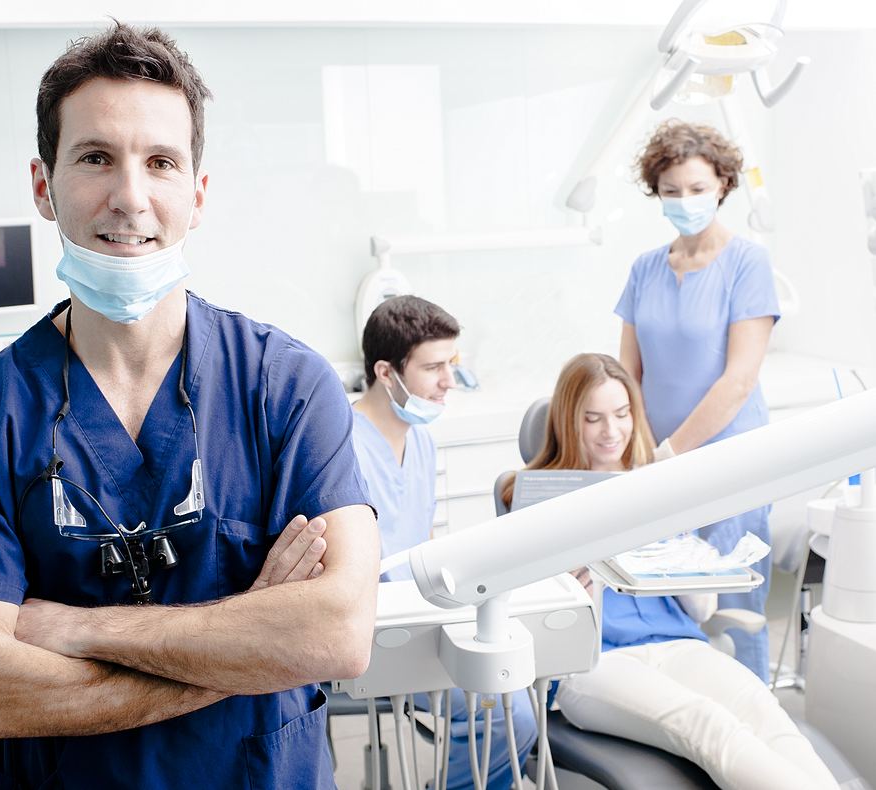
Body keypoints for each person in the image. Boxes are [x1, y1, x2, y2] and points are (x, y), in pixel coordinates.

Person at [0, 23, 380, 790]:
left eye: (160, 162)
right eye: (95, 157)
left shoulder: (286, 385)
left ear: (196, 194)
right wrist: (248, 644)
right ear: (42, 184)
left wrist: (75, 628)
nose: (129, 197)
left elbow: (337, 634)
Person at [501, 353, 836, 790]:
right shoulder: (533, 500)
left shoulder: (656, 488)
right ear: (569, 421)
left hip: (679, 645)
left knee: (764, 710)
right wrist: (574, 577)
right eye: (593, 418)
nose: (612, 431)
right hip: (596, 663)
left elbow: (698, 611)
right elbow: (526, 615)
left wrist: (690, 547)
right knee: (709, 725)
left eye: (622, 414)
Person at [616, 120, 781, 681]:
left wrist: (672, 451)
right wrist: (639, 453)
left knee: (731, 611)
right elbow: (628, 377)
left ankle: (753, 718)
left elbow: (737, 381)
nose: (684, 201)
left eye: (696, 188)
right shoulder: (644, 269)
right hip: (659, 464)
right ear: (656, 194)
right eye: (671, 191)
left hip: (730, 462)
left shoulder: (748, 264)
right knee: (669, 605)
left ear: (723, 185)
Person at [352, 295, 536, 790]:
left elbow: (423, 541)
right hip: (377, 629)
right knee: (509, 714)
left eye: (450, 365)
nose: (448, 382)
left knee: (525, 677)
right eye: (433, 368)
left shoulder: (422, 439)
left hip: (423, 611)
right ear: (386, 372)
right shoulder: (342, 446)